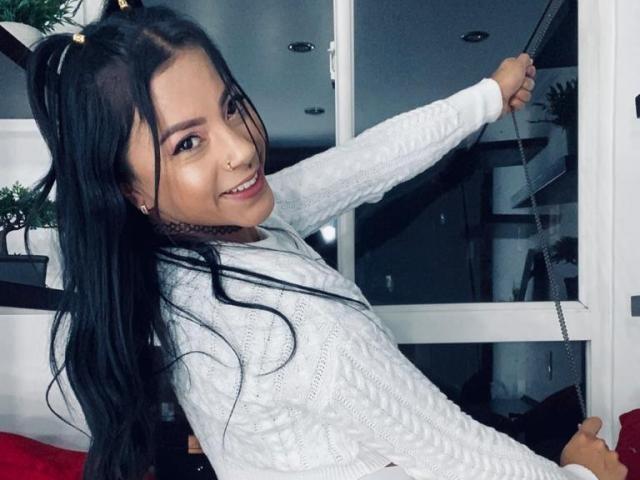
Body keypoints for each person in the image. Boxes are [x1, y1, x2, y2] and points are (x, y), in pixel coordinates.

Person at [23, 2, 627, 480]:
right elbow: (460, 456)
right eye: (188, 143)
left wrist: (486, 98)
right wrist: (580, 474)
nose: (241, 149)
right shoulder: (298, 328)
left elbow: (364, 163)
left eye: (230, 107)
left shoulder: (189, 247)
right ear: (130, 189)